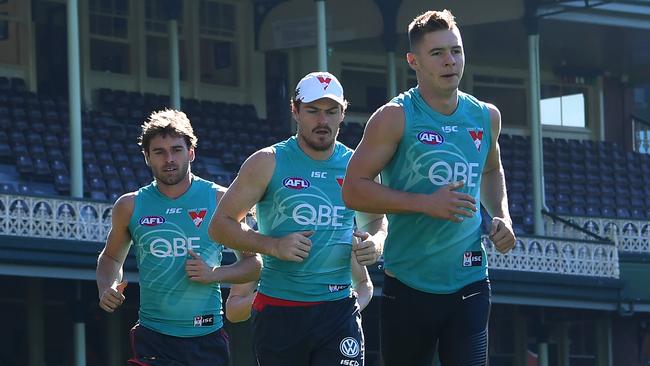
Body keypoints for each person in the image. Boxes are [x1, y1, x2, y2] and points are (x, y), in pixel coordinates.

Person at [341, 9, 517, 366]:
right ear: (413, 61)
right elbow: (354, 190)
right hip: (408, 285)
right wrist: (425, 203)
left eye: (456, 51)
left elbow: (491, 170)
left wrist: (501, 216)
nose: (450, 61)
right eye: (437, 53)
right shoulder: (394, 117)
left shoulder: (486, 115)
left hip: (470, 281)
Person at [209, 71, 387, 366]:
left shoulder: (358, 166)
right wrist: (274, 246)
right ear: (295, 111)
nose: (322, 121)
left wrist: (376, 242)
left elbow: (376, 221)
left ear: (343, 113)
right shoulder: (267, 162)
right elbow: (220, 225)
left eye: (331, 112)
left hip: (338, 309)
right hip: (280, 311)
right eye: (313, 111)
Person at [96, 109, 261, 366]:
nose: (169, 159)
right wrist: (106, 286)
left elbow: (254, 265)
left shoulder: (220, 200)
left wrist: (214, 273)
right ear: (147, 157)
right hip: (154, 338)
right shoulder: (129, 205)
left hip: (207, 338)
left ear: (191, 152)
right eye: (159, 152)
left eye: (176, 150)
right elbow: (110, 258)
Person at [226, 250, 374, 323]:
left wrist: (347, 312)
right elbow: (233, 311)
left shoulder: (339, 233)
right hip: (279, 337)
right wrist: (270, 293)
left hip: (334, 333)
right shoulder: (262, 243)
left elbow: (364, 284)